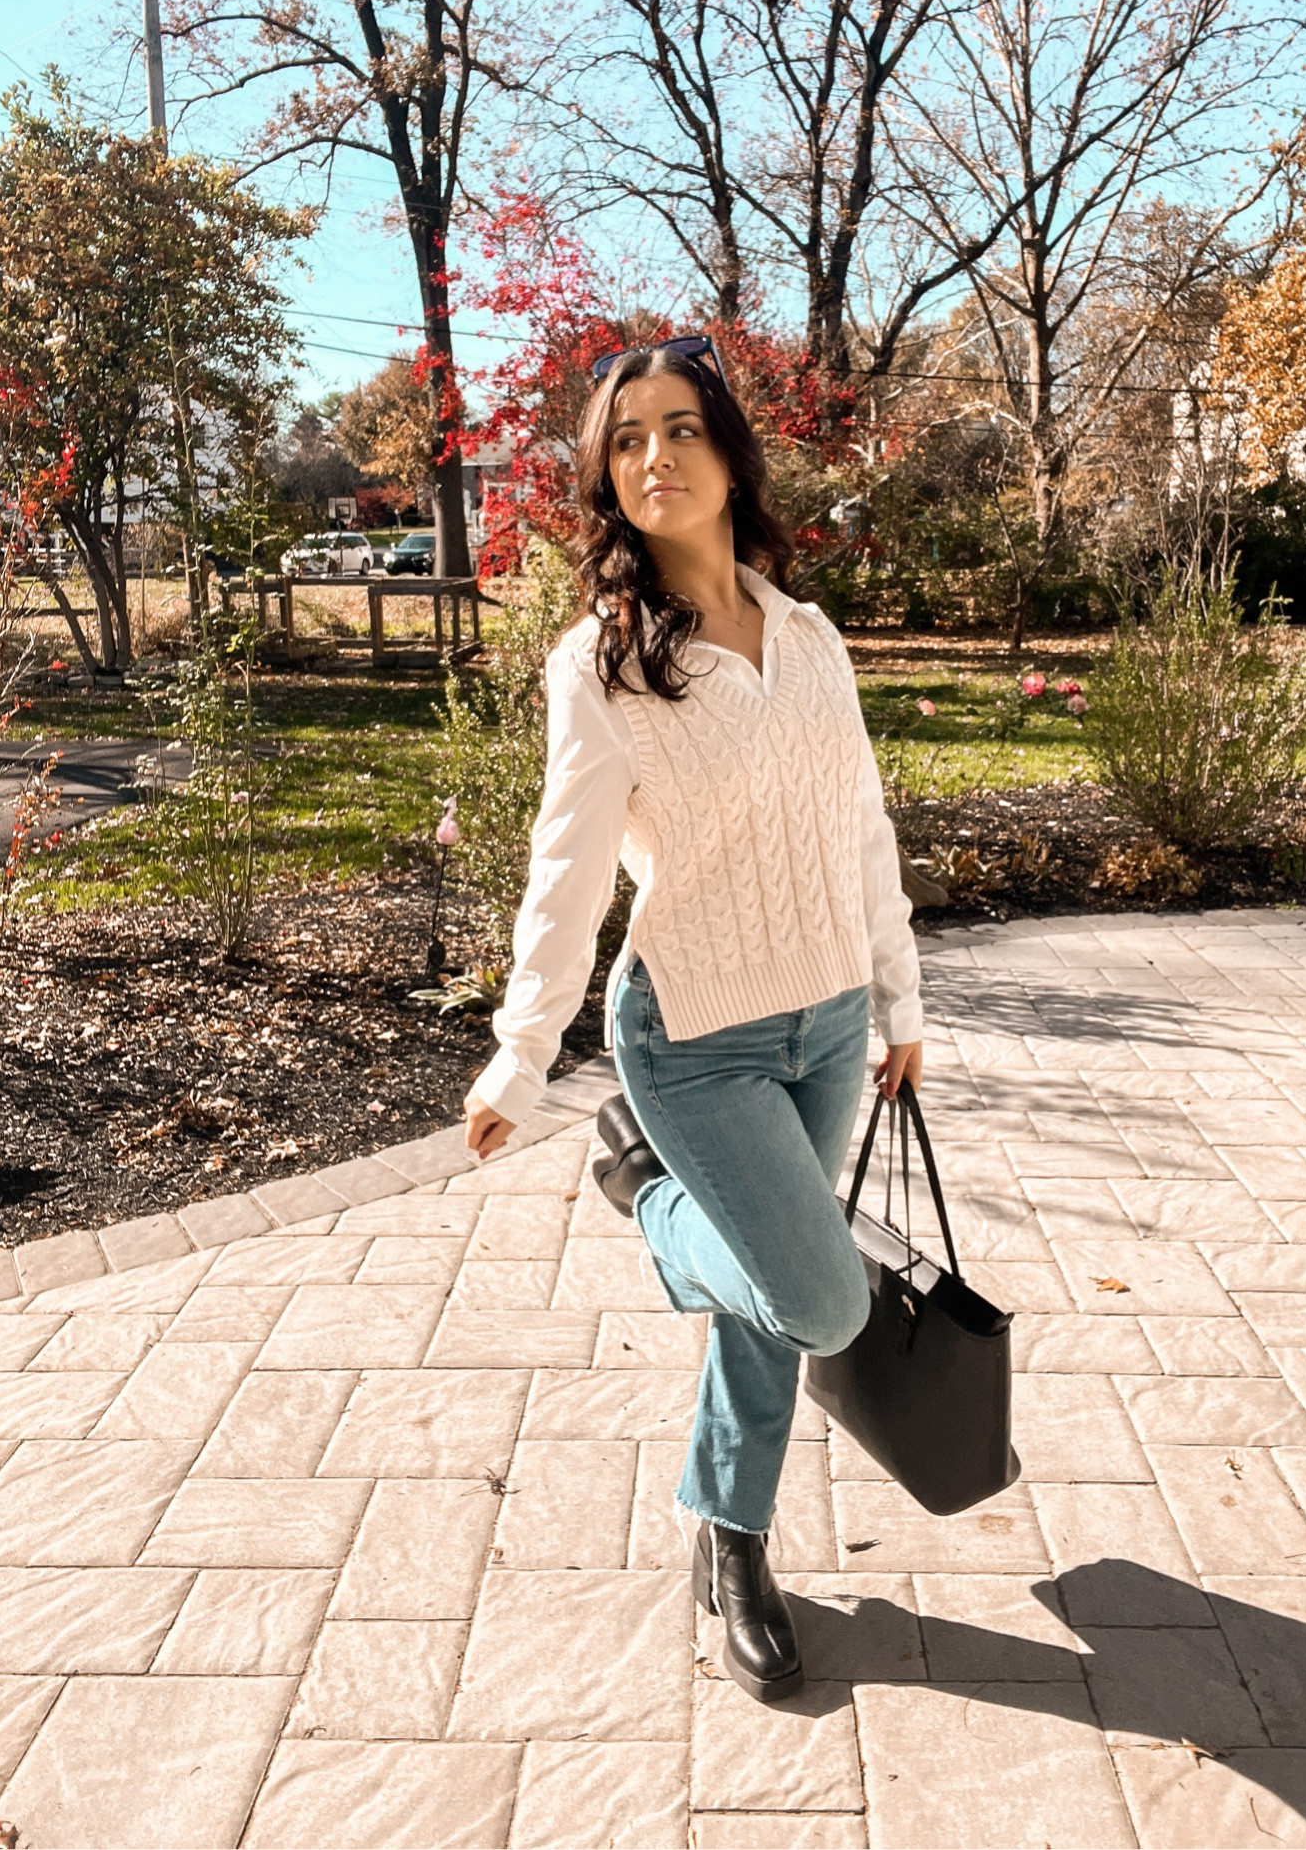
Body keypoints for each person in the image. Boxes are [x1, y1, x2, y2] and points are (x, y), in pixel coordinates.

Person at [464, 336, 923, 1702]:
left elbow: (861, 829)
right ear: (607, 477)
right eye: (625, 440)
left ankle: (733, 1544)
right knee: (821, 1298)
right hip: (696, 1037)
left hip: (830, 1022)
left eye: (679, 428)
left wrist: (897, 997)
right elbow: (567, 870)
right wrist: (521, 1049)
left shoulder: (809, 636)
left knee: (769, 1306)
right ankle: (649, 1189)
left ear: (728, 452)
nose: (653, 455)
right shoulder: (602, 668)